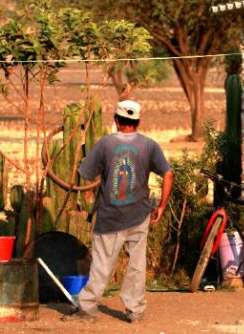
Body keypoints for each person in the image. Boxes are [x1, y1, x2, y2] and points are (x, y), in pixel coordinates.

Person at [62, 99, 173, 324]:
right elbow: (168, 174)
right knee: (137, 266)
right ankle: (135, 312)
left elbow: (86, 173)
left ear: (116, 120)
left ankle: (87, 310)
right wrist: (161, 206)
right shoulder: (150, 145)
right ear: (138, 122)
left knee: (102, 265)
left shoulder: (105, 144)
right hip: (140, 215)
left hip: (110, 217)